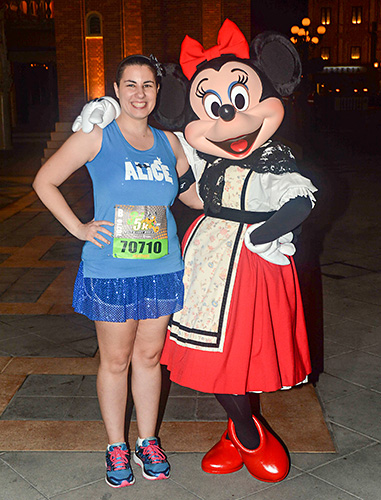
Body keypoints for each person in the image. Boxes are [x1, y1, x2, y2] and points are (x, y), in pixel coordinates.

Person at [32, 54, 202, 489]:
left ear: (158, 91)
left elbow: (190, 196)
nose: (140, 93)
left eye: (148, 85)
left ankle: (148, 440)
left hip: (161, 267)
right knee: (116, 360)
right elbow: (44, 180)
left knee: (149, 358)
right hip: (111, 269)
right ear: (116, 88)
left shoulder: (170, 143)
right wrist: (80, 228)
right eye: (131, 84)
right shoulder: (97, 137)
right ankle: (115, 445)